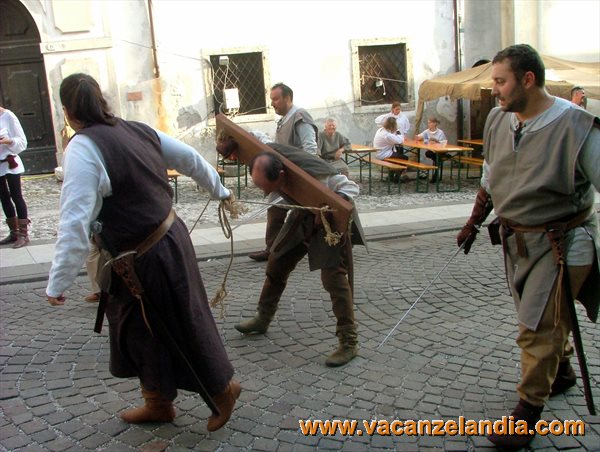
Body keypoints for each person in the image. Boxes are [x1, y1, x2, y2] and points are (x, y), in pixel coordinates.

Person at [46, 73, 240, 431]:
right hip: (159, 246)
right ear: (101, 101)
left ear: (67, 111)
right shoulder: (136, 129)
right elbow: (190, 158)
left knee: (181, 323)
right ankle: (158, 402)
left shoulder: (83, 149)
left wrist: (57, 282)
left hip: (147, 256)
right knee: (139, 331)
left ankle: (222, 390)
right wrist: (221, 191)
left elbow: (74, 220)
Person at [456, 44, 599, 449]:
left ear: (528, 80)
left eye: (501, 81)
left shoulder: (577, 127)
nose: (494, 90)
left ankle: (527, 411)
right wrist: (473, 221)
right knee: (538, 315)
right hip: (517, 242)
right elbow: (491, 175)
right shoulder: (498, 120)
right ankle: (562, 371)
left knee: (537, 327)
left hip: (563, 243)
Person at [217, 135, 365, 367]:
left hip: (329, 220)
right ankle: (263, 317)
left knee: (333, 279)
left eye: (267, 187)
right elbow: (250, 139)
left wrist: (333, 203)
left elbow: (350, 186)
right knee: (277, 260)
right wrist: (230, 144)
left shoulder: (320, 176)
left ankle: (349, 342)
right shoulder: (268, 156)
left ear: (281, 175)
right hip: (303, 214)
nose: (265, 193)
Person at [249, 83, 318, 262]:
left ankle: (280, 250)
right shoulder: (284, 119)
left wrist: (303, 176)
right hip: (284, 176)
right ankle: (273, 249)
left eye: (276, 99)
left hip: (298, 176)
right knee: (275, 209)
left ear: (287, 98)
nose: (272, 103)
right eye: (271, 99)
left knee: (298, 214)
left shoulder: (300, 116)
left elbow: (310, 149)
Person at [0, 105, 30, 248]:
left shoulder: (8, 116)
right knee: (3, 197)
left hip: (10, 162)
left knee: (16, 196)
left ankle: (24, 234)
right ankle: (14, 232)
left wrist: (9, 141)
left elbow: (22, 142)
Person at [373, 117, 408, 183]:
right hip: (383, 154)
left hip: (378, 152)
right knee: (405, 158)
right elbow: (400, 140)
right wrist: (398, 131)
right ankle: (397, 178)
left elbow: (393, 137)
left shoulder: (380, 130)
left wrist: (394, 133)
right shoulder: (387, 135)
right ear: (393, 125)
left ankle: (391, 177)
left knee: (397, 157)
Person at [415, 116, 447, 182]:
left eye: (430, 123)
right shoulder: (427, 131)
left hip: (440, 150)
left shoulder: (440, 132)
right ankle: (436, 172)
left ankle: (435, 173)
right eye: (428, 123)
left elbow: (444, 142)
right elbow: (418, 137)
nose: (428, 124)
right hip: (432, 151)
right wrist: (419, 137)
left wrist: (436, 141)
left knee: (436, 156)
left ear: (434, 123)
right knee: (429, 154)